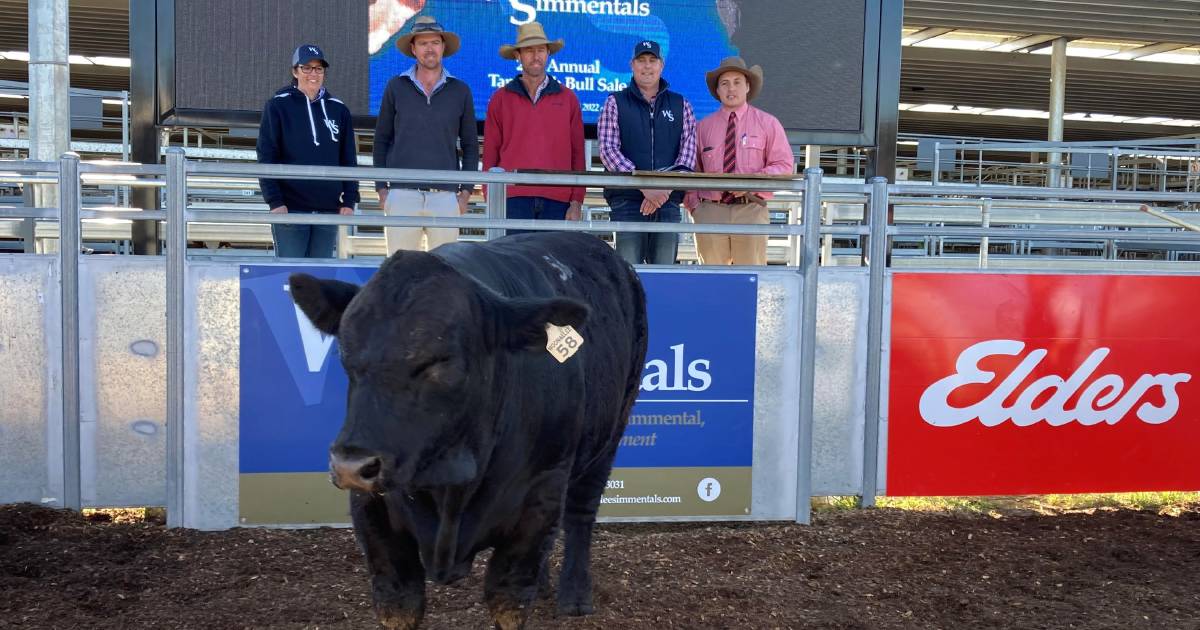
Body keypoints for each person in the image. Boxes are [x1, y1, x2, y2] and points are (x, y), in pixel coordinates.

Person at [373, 16, 479, 254]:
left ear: (443, 47)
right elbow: (381, 140)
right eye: (423, 43)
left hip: (445, 197)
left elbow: (471, 145)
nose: (429, 48)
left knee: (444, 273)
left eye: (434, 42)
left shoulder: (460, 91)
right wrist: (382, 189)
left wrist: (465, 193)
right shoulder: (395, 87)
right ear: (413, 49)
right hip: (401, 195)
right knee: (399, 272)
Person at [685, 56, 794, 265]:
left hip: (751, 210)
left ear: (747, 87)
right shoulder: (702, 127)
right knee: (711, 279)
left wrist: (750, 182)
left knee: (750, 279)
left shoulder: (768, 124)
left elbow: (784, 165)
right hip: (710, 212)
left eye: (737, 82)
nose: (731, 88)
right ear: (717, 91)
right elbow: (691, 169)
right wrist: (696, 207)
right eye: (724, 83)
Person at [597, 40, 697, 265]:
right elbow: (608, 151)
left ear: (661, 65)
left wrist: (662, 190)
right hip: (627, 203)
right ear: (632, 65)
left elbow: (687, 157)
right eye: (641, 61)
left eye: (652, 60)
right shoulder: (614, 103)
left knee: (665, 278)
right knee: (628, 276)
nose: (647, 66)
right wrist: (645, 185)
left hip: (668, 203)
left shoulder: (682, 105)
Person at [257, 44, 359, 259]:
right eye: (307, 68)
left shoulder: (338, 109)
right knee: (291, 277)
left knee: (319, 280)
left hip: (329, 209)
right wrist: (275, 202)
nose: (313, 74)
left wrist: (349, 200)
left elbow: (348, 157)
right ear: (295, 71)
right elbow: (267, 156)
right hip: (291, 208)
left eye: (319, 69)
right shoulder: (277, 106)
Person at [484, 21, 585, 234]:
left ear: (548, 53)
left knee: (555, 267)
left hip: (558, 200)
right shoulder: (500, 99)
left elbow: (578, 154)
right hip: (512, 199)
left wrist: (576, 201)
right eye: (529, 50)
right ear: (518, 55)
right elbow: (490, 154)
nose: (535, 56)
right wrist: (491, 199)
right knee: (511, 266)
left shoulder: (568, 99)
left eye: (540, 49)